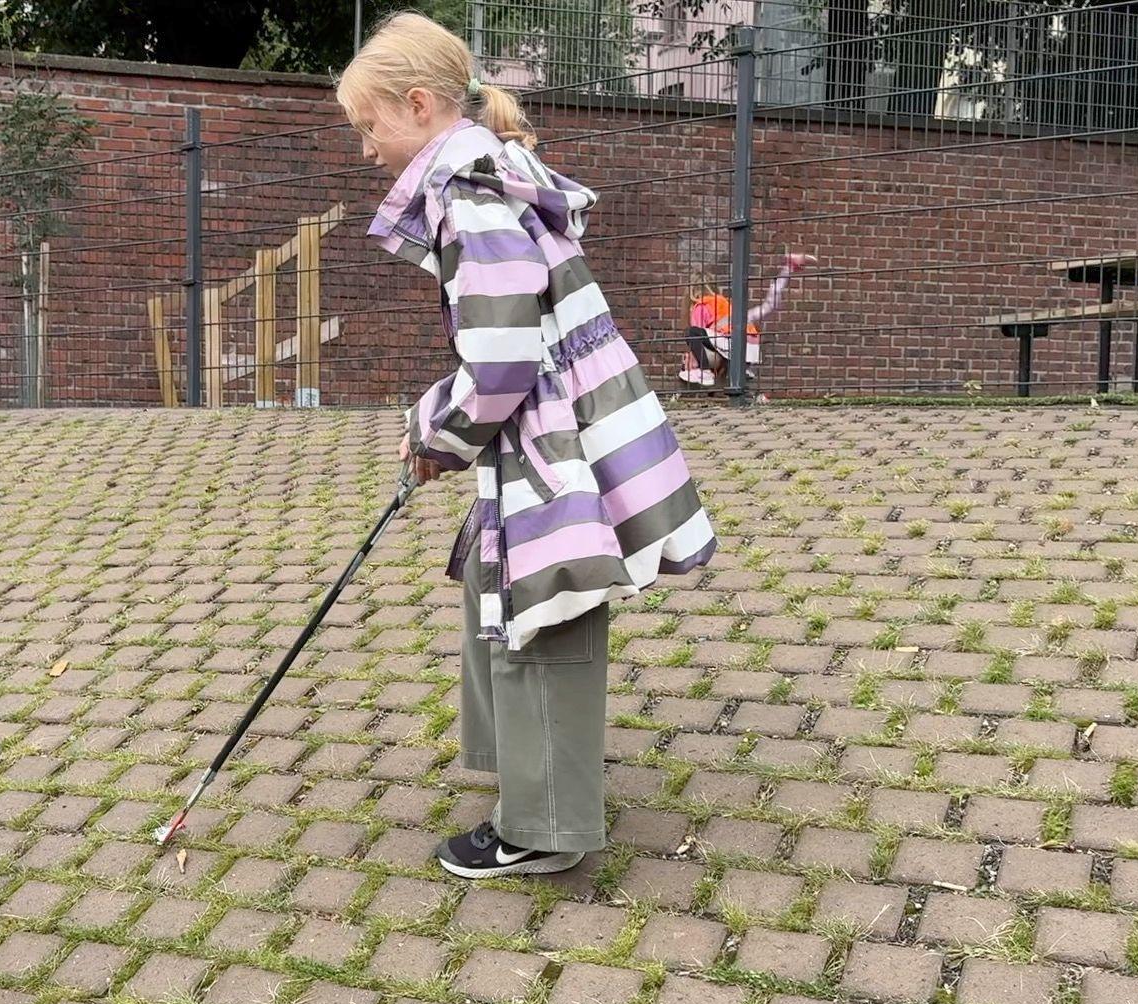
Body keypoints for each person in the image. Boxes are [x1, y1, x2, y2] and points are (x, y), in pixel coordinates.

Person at [339, 13, 715, 879]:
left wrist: (437, 432)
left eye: (370, 126)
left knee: (543, 604)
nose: (366, 150)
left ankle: (545, 825)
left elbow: (503, 356)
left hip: (550, 437)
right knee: (501, 582)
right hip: (555, 423)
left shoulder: (470, 195)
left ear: (421, 104)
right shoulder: (487, 178)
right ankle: (532, 779)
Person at [681, 252, 818, 387]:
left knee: (692, 332)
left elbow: (698, 338)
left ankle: (703, 372)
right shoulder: (724, 303)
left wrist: (695, 361)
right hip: (751, 349)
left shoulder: (701, 306)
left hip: (731, 345)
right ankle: (743, 371)